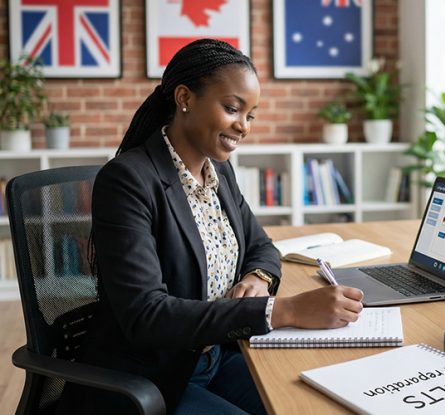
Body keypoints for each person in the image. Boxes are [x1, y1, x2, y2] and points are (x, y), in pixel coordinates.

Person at [59, 39, 364, 414]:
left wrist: (258, 278)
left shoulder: (217, 170)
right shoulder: (128, 181)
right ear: (185, 98)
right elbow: (146, 314)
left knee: (310, 404)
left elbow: (262, 246)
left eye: (250, 115)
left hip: (214, 356)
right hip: (152, 377)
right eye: (233, 108)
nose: (244, 126)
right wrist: (282, 311)